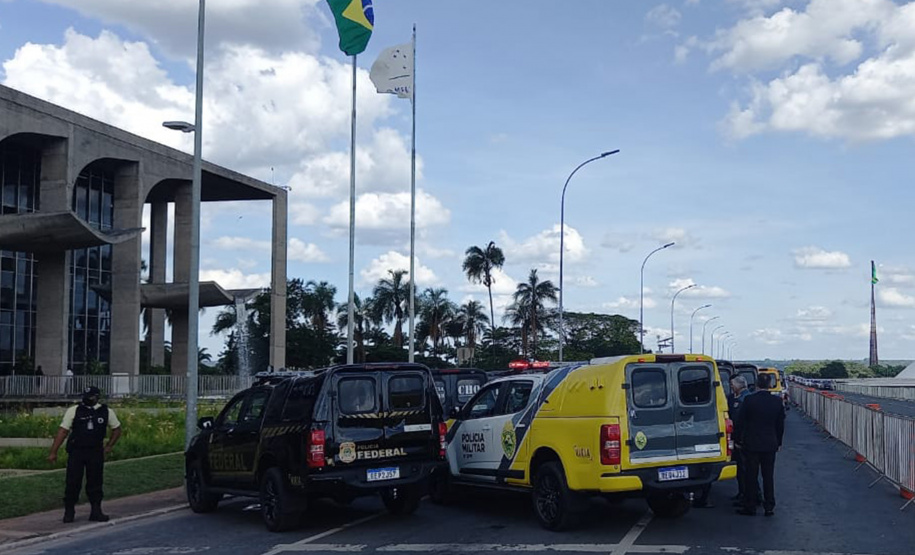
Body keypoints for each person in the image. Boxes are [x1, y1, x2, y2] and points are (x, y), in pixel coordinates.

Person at [47, 386, 122, 523]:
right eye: (85, 396)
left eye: (90, 396)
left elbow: (117, 429)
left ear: (97, 397)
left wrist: (109, 446)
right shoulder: (74, 410)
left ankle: (96, 511)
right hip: (77, 451)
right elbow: (63, 431)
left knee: (95, 481)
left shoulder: (106, 411)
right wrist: (53, 452)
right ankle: (69, 511)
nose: (87, 399)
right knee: (73, 482)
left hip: (95, 451)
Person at [734, 373, 785, 517]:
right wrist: (779, 442)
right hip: (770, 443)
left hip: (752, 443)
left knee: (751, 475)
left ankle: (750, 506)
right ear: (770, 385)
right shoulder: (777, 401)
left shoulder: (750, 400)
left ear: (757, 384)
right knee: (768, 476)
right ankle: (769, 506)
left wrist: (738, 440)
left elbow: (741, 422)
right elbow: (780, 425)